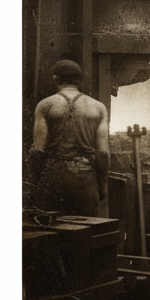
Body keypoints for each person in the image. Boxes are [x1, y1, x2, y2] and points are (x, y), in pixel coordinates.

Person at [30, 60, 110, 217]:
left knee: (52, 234)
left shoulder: (45, 105)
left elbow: (37, 150)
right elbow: (103, 153)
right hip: (85, 180)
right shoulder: (98, 107)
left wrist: (36, 184)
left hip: (54, 179)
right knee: (88, 234)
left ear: (55, 78)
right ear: (80, 80)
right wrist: (102, 185)